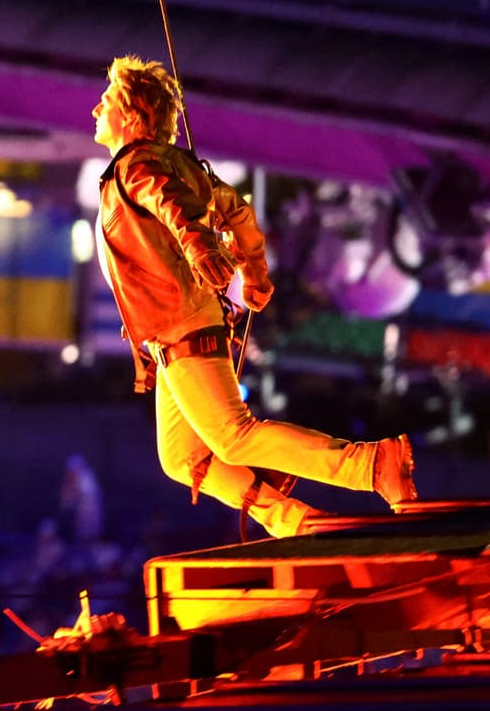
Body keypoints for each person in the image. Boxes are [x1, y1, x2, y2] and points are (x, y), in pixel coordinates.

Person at [91, 55, 417, 538]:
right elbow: (236, 211)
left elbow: (172, 206)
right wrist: (255, 271)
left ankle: (370, 464)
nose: (95, 109)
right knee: (182, 458)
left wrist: (203, 248)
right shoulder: (176, 164)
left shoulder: (136, 166)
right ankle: (295, 520)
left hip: (183, 326)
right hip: (175, 331)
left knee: (233, 437)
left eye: (106, 101)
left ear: (133, 116)